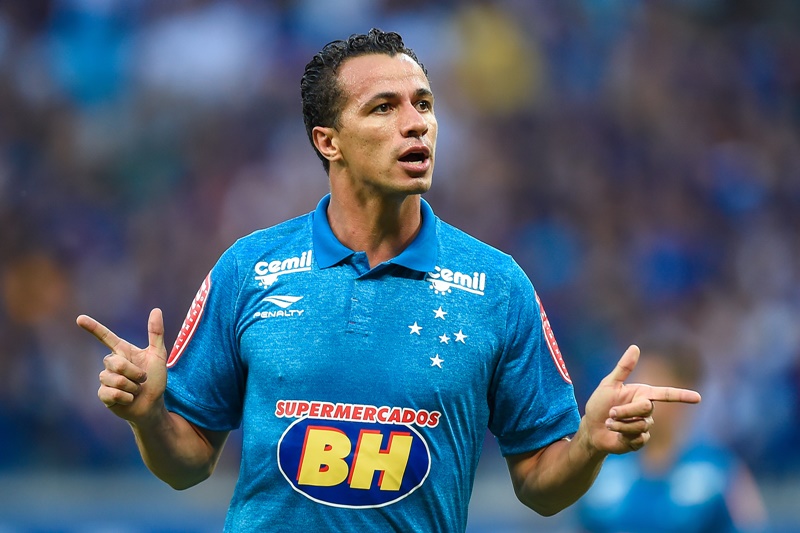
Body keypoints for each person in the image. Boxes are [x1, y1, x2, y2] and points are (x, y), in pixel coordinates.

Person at [76, 28, 701, 532]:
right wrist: (149, 417)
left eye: (423, 104)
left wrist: (588, 444)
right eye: (384, 107)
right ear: (329, 142)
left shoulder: (497, 286)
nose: (416, 123)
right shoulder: (249, 268)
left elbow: (540, 486)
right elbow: (186, 465)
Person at [576, 336, 767, 533]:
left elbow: (749, 524)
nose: (638, 397)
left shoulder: (719, 471)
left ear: (683, 391)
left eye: (653, 381)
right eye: (636, 383)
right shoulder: (604, 468)